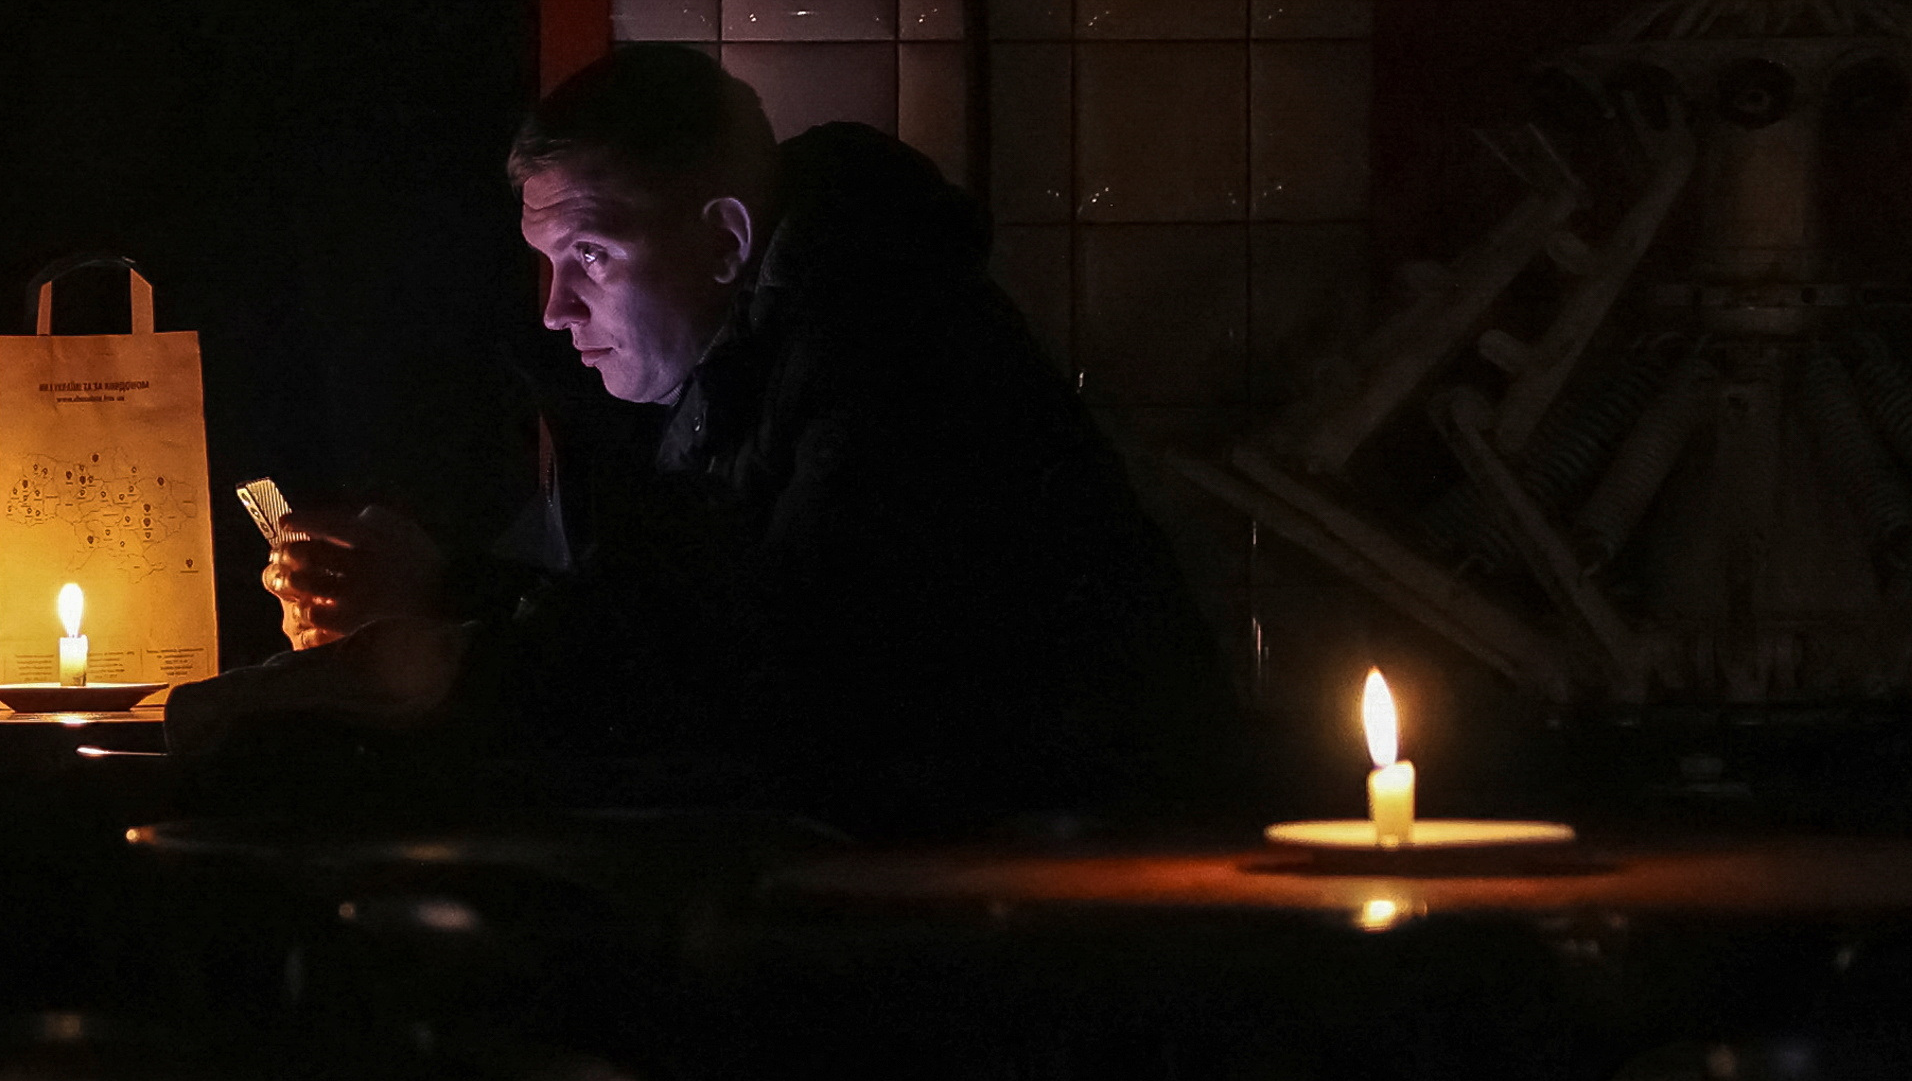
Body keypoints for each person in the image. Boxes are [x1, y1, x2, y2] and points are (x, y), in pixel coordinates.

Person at [233, 44, 1229, 835]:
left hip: (1065, 865)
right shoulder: (734, 365)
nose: (554, 309)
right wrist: (443, 606)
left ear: (724, 239)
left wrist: (443, 624)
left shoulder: (885, 343)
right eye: (543, 261)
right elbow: (678, 624)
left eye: (589, 255)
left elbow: (783, 670)